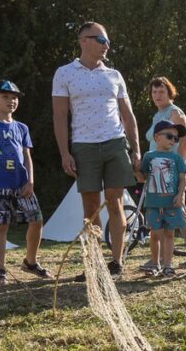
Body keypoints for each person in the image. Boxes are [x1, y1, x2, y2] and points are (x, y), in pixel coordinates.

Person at [52, 21, 141, 280]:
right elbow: (59, 116)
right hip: (83, 145)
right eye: (101, 40)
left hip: (114, 143)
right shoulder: (65, 73)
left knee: (115, 202)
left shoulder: (113, 75)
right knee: (90, 209)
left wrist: (135, 150)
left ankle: (116, 263)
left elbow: (128, 115)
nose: (107, 46)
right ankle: (94, 265)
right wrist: (64, 153)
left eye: (108, 41)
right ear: (84, 41)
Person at [0, 80, 49, 285]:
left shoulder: (22, 127)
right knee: (1, 226)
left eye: (14, 97)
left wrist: (30, 181)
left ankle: (31, 262)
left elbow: (27, 156)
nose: (11, 101)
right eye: (5, 97)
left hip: (21, 185)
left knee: (37, 220)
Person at [139, 76, 186, 272]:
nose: (157, 95)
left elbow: (184, 144)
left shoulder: (175, 113)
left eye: (162, 92)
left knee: (177, 210)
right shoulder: (157, 115)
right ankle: (157, 260)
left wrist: (177, 171)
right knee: (163, 212)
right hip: (158, 169)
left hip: (172, 169)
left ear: (170, 93)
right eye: (154, 92)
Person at [137, 121, 186, 276]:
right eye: (169, 136)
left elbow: (182, 179)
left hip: (171, 202)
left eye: (176, 138)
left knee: (170, 233)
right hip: (153, 202)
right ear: (156, 137)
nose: (173, 140)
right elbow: (142, 176)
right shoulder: (149, 156)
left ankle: (167, 265)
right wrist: (135, 169)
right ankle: (155, 264)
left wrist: (180, 196)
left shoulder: (177, 158)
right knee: (155, 233)